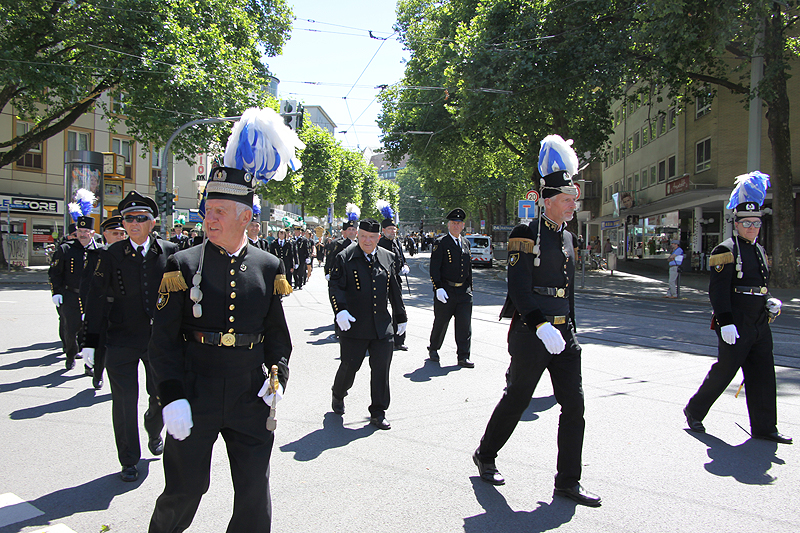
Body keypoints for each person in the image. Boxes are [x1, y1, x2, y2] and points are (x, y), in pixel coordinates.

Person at [149, 106, 300, 533]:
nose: (208, 218)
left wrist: (277, 379)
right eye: (207, 210)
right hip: (195, 390)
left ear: (245, 218)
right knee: (184, 490)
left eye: (218, 211)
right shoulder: (182, 262)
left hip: (250, 395)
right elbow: (161, 341)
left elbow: (277, 336)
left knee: (254, 496)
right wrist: (171, 396)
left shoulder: (269, 266)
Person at [474, 134, 601, 507]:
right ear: (547, 201)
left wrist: (568, 330)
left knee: (574, 406)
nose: (571, 206)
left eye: (573, 200)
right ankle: (486, 453)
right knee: (517, 399)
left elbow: (568, 290)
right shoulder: (524, 233)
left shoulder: (567, 238)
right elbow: (519, 289)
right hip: (533, 333)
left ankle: (568, 482)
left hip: (564, 335)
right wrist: (542, 326)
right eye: (565, 200)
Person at [684, 171, 790, 444]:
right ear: (737, 223)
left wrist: (769, 301)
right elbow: (718, 291)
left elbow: (759, 284)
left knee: (764, 374)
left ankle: (765, 427)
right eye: (747, 223)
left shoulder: (759, 250)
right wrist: (725, 321)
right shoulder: (725, 249)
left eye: (756, 222)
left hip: (759, 322)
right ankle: (694, 410)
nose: (752, 227)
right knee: (724, 372)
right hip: (737, 322)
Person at [81, 191, 178, 482]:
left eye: (140, 218)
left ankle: (154, 427)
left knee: (160, 395)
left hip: (157, 340)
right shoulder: (110, 254)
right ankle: (129, 460)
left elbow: (181, 298)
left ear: (153, 222)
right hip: (121, 338)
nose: (133, 224)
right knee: (124, 401)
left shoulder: (170, 251)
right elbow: (96, 297)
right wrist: (90, 341)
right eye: (128, 219)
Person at [329, 219, 407, 430]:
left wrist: (401, 316)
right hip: (354, 325)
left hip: (381, 325)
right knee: (350, 366)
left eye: (372, 237)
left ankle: (378, 411)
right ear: (358, 236)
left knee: (381, 369)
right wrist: (340, 310)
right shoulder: (344, 257)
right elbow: (335, 286)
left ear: (378, 238)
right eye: (363, 235)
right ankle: (338, 392)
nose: (367, 240)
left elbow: (394, 289)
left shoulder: (388, 257)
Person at [49, 190, 99, 370]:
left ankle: (90, 365)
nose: (83, 234)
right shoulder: (65, 249)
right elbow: (55, 272)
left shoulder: (99, 250)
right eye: (80, 231)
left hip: (93, 297)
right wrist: (56, 292)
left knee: (91, 330)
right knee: (70, 329)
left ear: (92, 233)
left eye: (86, 231)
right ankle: (70, 355)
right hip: (71, 295)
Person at [80, 215, 127, 389]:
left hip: (122, 308)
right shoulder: (95, 255)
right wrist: (86, 309)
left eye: (122, 234)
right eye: (115, 234)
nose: (120, 237)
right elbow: (87, 286)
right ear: (105, 235)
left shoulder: (129, 254)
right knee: (100, 343)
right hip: (103, 306)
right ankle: (98, 374)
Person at [427, 208, 474, 368]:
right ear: (449, 225)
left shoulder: (466, 243)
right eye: (453, 223)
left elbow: (468, 269)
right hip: (446, 290)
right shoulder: (441, 243)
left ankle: (463, 356)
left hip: (463, 292)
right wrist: (438, 288)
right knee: (441, 323)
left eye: (459, 223)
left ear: (463, 226)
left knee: (464, 325)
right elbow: (434, 269)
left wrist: (470, 289)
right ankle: (433, 348)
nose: (456, 225)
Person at [292, 225, 311, 289]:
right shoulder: (292, 240)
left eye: (298, 231)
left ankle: (300, 284)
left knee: (301, 272)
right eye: (295, 231)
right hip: (294, 258)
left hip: (301, 258)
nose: (296, 233)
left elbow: (307, 249)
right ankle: (295, 284)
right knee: (295, 272)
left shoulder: (304, 240)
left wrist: (307, 257)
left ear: (300, 232)